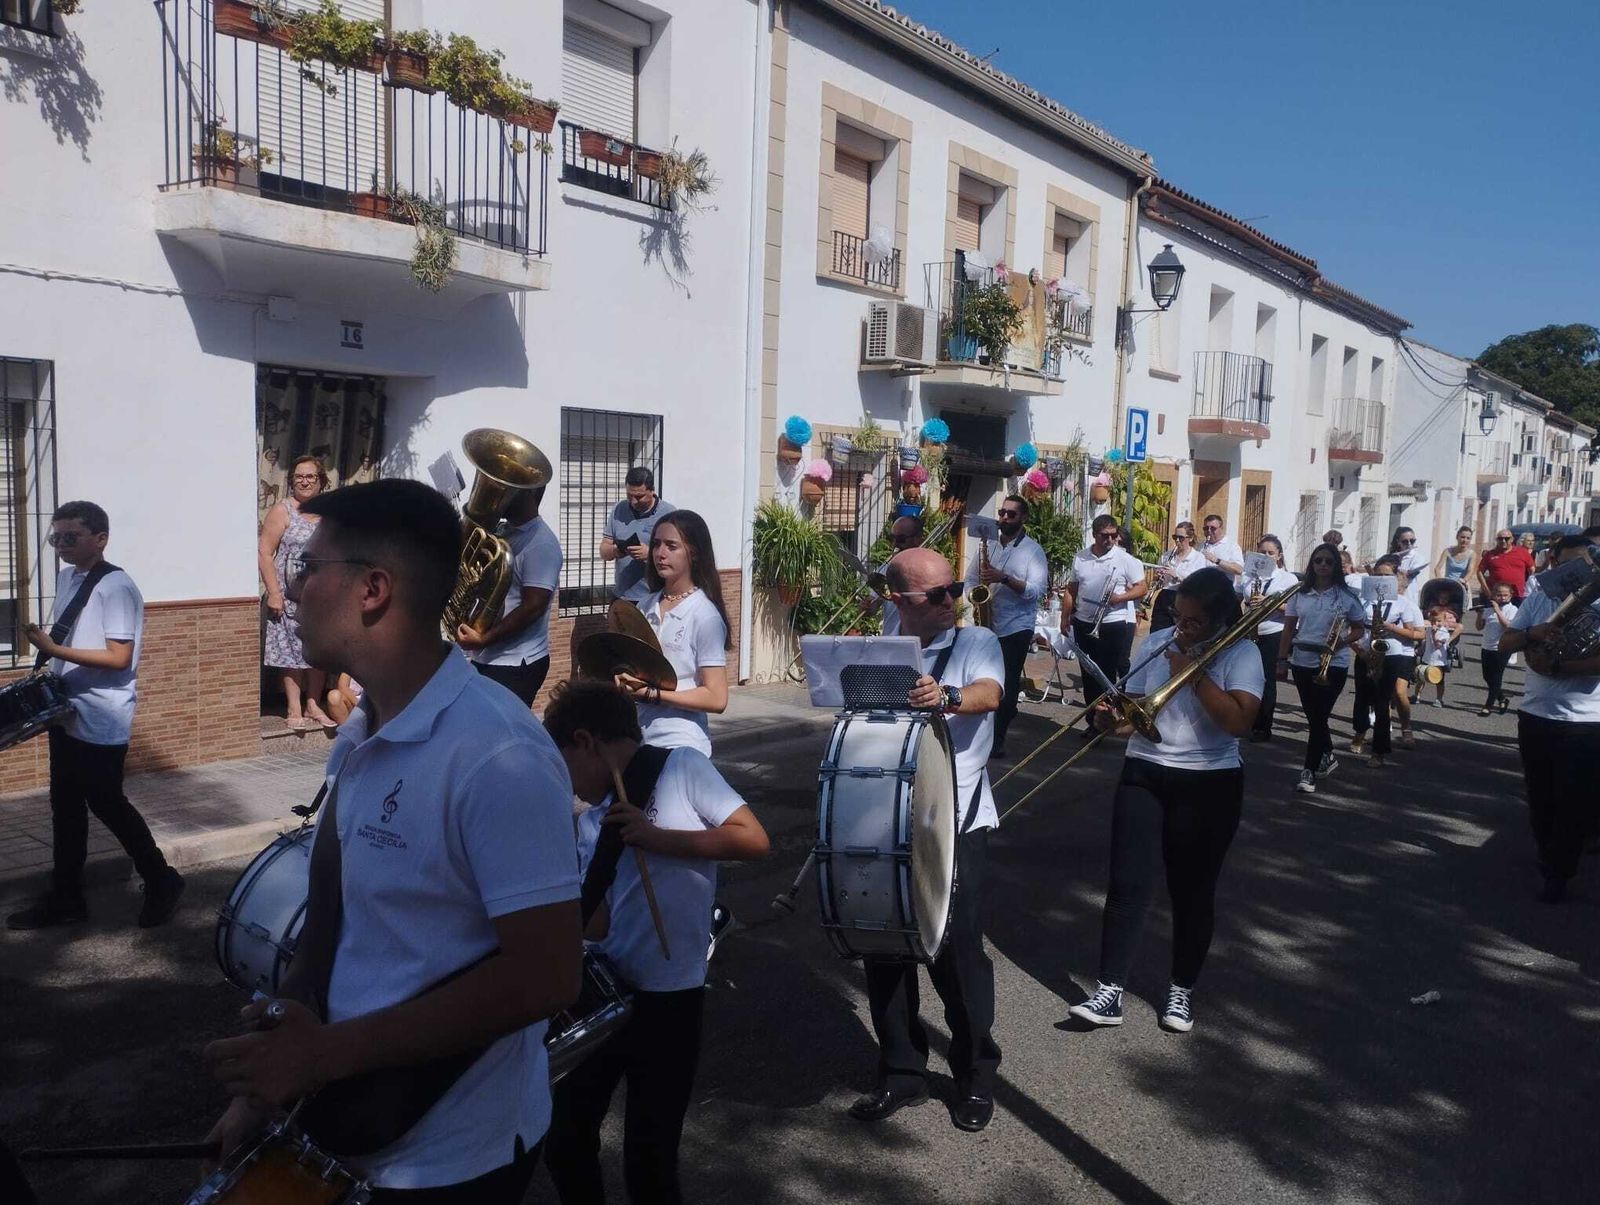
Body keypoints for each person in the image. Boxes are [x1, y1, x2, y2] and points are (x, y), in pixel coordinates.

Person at [200, 479, 583, 1201]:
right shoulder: (361, 728)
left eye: (309, 568)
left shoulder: (499, 753)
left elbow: (549, 977)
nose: (294, 585)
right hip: (347, 1122)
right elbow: (327, 921)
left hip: (453, 1160)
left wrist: (323, 1056)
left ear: (373, 588)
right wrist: (265, 1082)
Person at [543, 679, 769, 1205]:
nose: (571, 785)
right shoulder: (593, 822)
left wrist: (659, 838)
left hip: (672, 996)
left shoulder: (681, 769)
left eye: (567, 764)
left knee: (650, 1156)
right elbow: (595, 925)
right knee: (565, 1139)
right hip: (609, 992)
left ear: (586, 741)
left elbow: (753, 839)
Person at [1067, 568, 1263, 1035]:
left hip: (1209, 779)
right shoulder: (1156, 643)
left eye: (1193, 622)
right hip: (1145, 770)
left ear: (1218, 619)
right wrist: (1107, 720)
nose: (1182, 628)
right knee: (1126, 884)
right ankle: (1109, 989)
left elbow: (1238, 722)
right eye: (1179, 617)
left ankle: (1181, 990)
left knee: (1192, 891)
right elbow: (1136, 717)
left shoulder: (1242, 653)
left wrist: (1193, 675)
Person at [852, 546, 1003, 1133]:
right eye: (935, 595)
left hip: (955, 816)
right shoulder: (886, 639)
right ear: (899, 600)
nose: (950, 602)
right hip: (885, 812)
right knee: (885, 947)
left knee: (956, 953)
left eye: (954, 589)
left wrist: (949, 697)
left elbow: (988, 693)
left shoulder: (975, 643)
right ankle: (901, 1072)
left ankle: (975, 1074)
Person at [7, 502, 185, 931]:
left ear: (100, 538)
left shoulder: (117, 587)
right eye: (57, 538)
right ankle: (67, 897)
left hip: (102, 716)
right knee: (65, 808)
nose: (62, 545)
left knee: (107, 803)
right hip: (66, 711)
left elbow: (119, 657)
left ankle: (161, 879)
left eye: (72, 536)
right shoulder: (69, 578)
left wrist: (52, 650)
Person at [1499, 536, 1600, 903]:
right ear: (1553, 562)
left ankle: (1561, 871)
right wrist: (1532, 634)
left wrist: (1558, 666)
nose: (1576, 573)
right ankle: (1549, 853)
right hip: (1536, 712)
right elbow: (1505, 644)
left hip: (1588, 719)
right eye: (1567, 565)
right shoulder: (1540, 598)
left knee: (1575, 799)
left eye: (1583, 565)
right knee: (1540, 795)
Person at [616, 511, 731, 756]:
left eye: (672, 546)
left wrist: (654, 695)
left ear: (694, 553)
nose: (660, 553)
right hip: (639, 739)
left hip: (681, 744)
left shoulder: (704, 615)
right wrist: (623, 679)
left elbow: (716, 698)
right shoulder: (645, 605)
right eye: (656, 544)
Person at [456, 485, 561, 707]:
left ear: (530, 493)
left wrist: (484, 639)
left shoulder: (542, 543)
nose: (497, 495)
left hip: (515, 663)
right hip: (487, 656)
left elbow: (534, 606)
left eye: (507, 489)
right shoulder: (501, 531)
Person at [1277, 543, 1366, 794]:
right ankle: (1327, 754)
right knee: (1314, 716)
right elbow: (1288, 628)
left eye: (1328, 561)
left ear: (1336, 565)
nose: (1323, 565)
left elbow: (1359, 627)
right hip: (1303, 661)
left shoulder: (1346, 596)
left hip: (1333, 663)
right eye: (1318, 561)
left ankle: (1308, 770)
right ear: (1312, 564)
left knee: (1319, 717)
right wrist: (1282, 660)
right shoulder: (1299, 593)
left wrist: (1343, 641)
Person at [964, 495, 1047, 757]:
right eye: (1002, 513)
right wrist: (973, 597)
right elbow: (970, 579)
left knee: (1007, 683)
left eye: (1011, 514)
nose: (1004, 518)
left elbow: (1036, 591)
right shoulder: (987, 546)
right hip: (988, 621)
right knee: (985, 678)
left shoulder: (1033, 551)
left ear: (1023, 518)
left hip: (1016, 625)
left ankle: (997, 740)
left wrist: (1005, 579)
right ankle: (986, 730)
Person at [260, 454, 335, 730]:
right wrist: (274, 592)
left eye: (310, 477)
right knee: (289, 651)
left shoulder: (329, 513)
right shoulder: (283, 511)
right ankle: (293, 705)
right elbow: (265, 553)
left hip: (321, 597)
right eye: (299, 477)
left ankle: (314, 704)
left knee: (319, 650)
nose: (304, 482)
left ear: (321, 481)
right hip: (288, 596)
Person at [1063, 515, 1148, 722]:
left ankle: (1107, 721)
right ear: (1094, 535)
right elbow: (1071, 589)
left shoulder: (1126, 560)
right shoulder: (1081, 557)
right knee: (1088, 673)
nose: (1109, 540)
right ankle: (1092, 720)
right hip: (1084, 621)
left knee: (1106, 675)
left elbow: (1142, 588)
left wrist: (1121, 597)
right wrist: (1065, 617)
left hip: (1113, 623)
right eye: (1104, 536)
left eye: (1113, 535)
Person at [1348, 556, 1424, 767]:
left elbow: (1416, 633)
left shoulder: (1403, 603)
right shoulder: (1362, 601)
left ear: (1395, 578)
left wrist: (1391, 628)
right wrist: (1359, 650)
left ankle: (1379, 751)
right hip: (1365, 653)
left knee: (1382, 703)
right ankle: (1360, 732)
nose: (1382, 578)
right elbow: (1350, 629)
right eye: (1378, 575)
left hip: (1392, 655)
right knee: (1362, 698)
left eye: (1387, 575)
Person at [1238, 535, 1298, 742]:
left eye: (1270, 553)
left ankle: (1264, 726)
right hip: (1249, 631)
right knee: (1246, 678)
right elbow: (1238, 597)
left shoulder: (1287, 579)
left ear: (1279, 556)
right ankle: (1247, 721)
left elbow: (1294, 609)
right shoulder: (1248, 575)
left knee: (1266, 680)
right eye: (1262, 552)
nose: (1266, 556)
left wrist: (1269, 603)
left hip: (1274, 632)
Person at [601, 468, 674, 606]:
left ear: (652, 491)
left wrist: (650, 554)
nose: (633, 501)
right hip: (621, 597)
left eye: (639, 497)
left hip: (655, 598)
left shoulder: (668, 514)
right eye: (629, 496)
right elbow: (604, 550)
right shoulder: (619, 509)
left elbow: (677, 556)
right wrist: (616, 551)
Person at [1150, 521, 1206, 633]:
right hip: (1165, 596)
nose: (1177, 541)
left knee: (1180, 633)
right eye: (1175, 537)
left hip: (1184, 597)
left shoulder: (1198, 557)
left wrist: (1176, 575)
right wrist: (1158, 578)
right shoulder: (1166, 556)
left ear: (1190, 538)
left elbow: (1196, 584)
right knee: (1157, 632)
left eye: (1181, 538)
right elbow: (1161, 583)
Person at [875, 512, 925, 637]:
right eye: (892, 538)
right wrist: (867, 607)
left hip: (920, 641)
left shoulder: (930, 568)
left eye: (901, 539)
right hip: (890, 639)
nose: (895, 544)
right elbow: (873, 607)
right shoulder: (887, 567)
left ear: (918, 538)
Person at [1476, 584, 1518, 716]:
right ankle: (1502, 698)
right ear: (1493, 596)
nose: (1502, 598)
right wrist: (1479, 614)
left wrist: (1498, 611)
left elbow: (1508, 626)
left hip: (1502, 647)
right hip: (1487, 646)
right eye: (1499, 595)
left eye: (1505, 595)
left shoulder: (1512, 609)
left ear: (1510, 596)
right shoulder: (1488, 610)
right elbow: (1479, 627)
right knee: (1487, 677)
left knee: (1496, 676)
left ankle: (1488, 706)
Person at [1416, 604, 1461, 709]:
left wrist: (1434, 633)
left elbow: (1437, 645)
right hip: (1427, 658)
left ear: (1445, 621)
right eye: (1433, 621)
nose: (1436, 623)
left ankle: (1439, 698)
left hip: (1439, 661)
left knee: (1439, 681)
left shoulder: (1444, 633)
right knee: (1421, 678)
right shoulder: (1428, 629)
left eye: (1439, 621)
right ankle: (1417, 695)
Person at [1478, 529, 1536, 602]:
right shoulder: (1490, 554)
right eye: (1500, 539)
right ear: (1497, 540)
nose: (1503, 541)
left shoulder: (1522, 552)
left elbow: (1532, 570)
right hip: (1497, 595)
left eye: (1506, 538)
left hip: (1517, 595)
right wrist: (1486, 590)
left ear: (1512, 539)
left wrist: (1527, 586)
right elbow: (1480, 572)